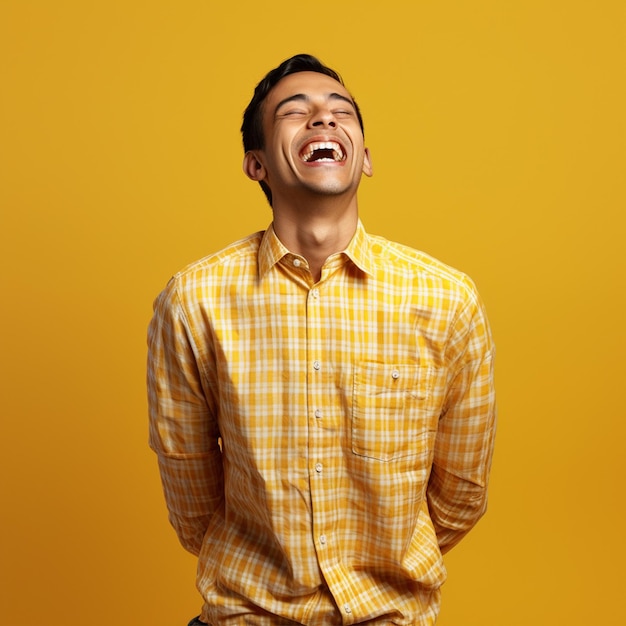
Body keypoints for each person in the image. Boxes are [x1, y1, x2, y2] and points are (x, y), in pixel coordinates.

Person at [147, 53, 496, 626]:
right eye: (296, 112)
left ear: (367, 157)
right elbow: (192, 502)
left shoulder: (447, 300)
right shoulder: (194, 302)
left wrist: (385, 572)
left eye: (341, 112)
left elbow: (461, 494)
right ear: (256, 164)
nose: (324, 120)